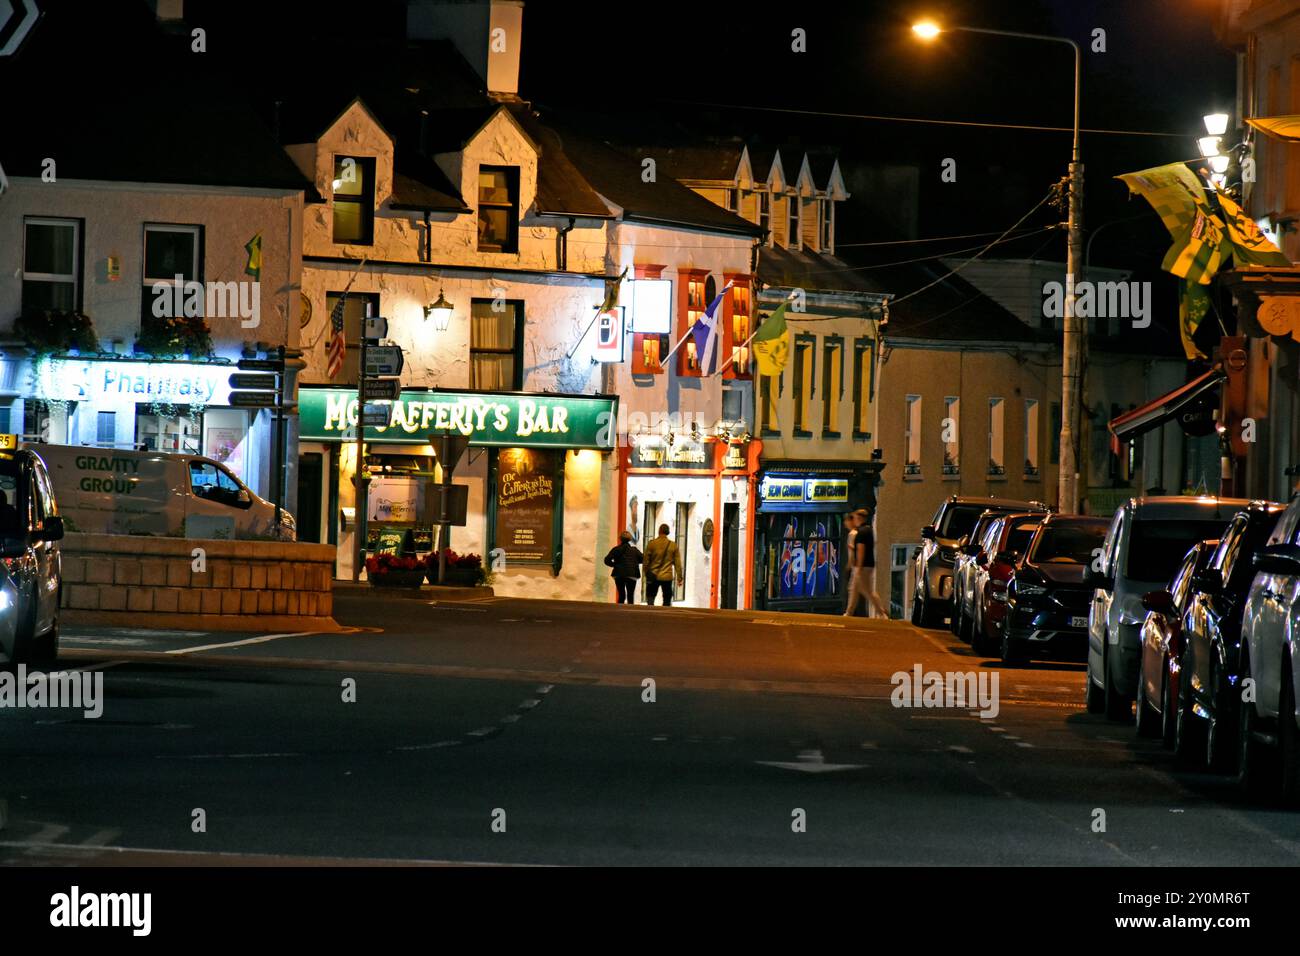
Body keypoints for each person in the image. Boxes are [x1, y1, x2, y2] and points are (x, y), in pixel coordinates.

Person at [853, 508, 890, 618]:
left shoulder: (861, 532)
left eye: (855, 518)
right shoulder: (869, 530)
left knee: (867, 591)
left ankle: (882, 612)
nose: (854, 520)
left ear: (859, 518)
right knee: (854, 589)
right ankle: (849, 612)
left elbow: (861, 550)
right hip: (869, 565)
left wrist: (859, 567)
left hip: (862, 566)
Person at [642, 523, 682, 606]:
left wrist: (646, 573)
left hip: (653, 575)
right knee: (667, 598)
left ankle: (650, 614)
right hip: (667, 576)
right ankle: (665, 615)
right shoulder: (673, 545)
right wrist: (680, 577)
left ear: (659, 531)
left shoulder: (652, 544)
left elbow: (646, 561)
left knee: (650, 597)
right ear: (668, 532)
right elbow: (678, 563)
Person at [604, 530, 643, 605]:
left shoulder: (616, 549)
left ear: (620, 539)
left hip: (619, 574)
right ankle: (630, 612)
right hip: (632, 574)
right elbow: (643, 559)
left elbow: (606, 560)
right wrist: (635, 562)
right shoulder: (634, 550)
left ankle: (619, 611)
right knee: (630, 595)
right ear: (630, 539)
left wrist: (614, 565)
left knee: (621, 594)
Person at [843, 511, 863, 617]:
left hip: (856, 565)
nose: (845, 524)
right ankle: (850, 612)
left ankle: (849, 612)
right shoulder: (856, 533)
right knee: (858, 589)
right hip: (857, 565)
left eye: (846, 521)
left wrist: (850, 564)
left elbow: (852, 552)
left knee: (853, 589)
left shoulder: (852, 534)